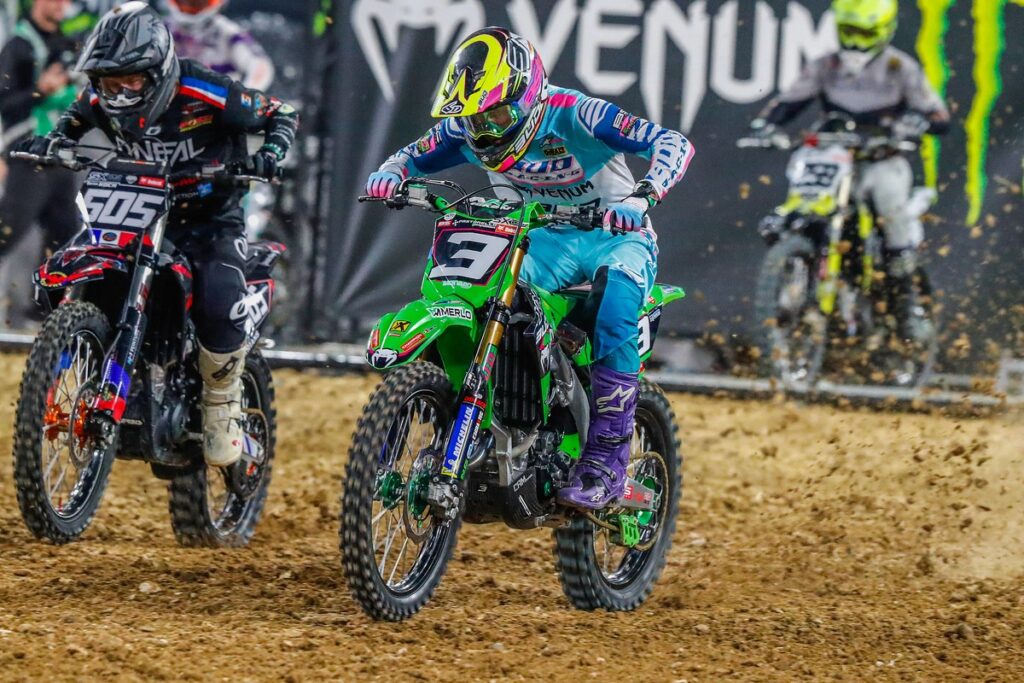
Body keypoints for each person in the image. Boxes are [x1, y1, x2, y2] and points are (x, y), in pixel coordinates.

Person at [364, 27, 694, 509]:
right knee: (485, 299)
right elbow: (411, 156)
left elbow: (672, 143)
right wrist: (391, 173)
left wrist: (642, 197)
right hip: (537, 237)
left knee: (616, 305)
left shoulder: (578, 113)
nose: (486, 131)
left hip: (614, 234)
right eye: (475, 119)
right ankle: (492, 421)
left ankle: (605, 459)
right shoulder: (466, 129)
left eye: (497, 115)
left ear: (528, 94)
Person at [14, 2, 298, 466]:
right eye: (109, 83)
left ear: (159, 70)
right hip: (135, 209)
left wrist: (271, 153)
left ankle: (222, 401)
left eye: (130, 81)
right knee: (74, 263)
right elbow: (73, 123)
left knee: (220, 300)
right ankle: (87, 360)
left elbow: (280, 112)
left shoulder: (206, 88)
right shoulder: (96, 99)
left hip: (208, 215)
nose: (119, 93)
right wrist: (56, 144)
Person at [750, 0, 950, 340]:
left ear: (884, 31)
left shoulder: (901, 67)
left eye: (864, 33)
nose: (856, 42)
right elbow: (787, 103)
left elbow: (939, 116)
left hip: (881, 159)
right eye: (849, 32)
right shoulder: (825, 65)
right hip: (833, 156)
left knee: (889, 207)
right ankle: (797, 258)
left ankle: (906, 306)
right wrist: (765, 124)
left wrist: (919, 122)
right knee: (803, 199)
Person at [0, 0, 79, 258]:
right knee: (6, 233)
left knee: (65, 247)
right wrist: (40, 90)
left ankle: (49, 287)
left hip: (62, 159)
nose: (62, 5)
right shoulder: (18, 46)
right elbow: (6, 105)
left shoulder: (67, 44)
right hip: (29, 160)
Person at [166, 0, 274, 91]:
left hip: (219, 104)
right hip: (171, 103)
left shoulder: (228, 33)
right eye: (184, 1)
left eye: (198, 2)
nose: (190, 6)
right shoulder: (163, 31)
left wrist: (243, 96)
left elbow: (260, 65)